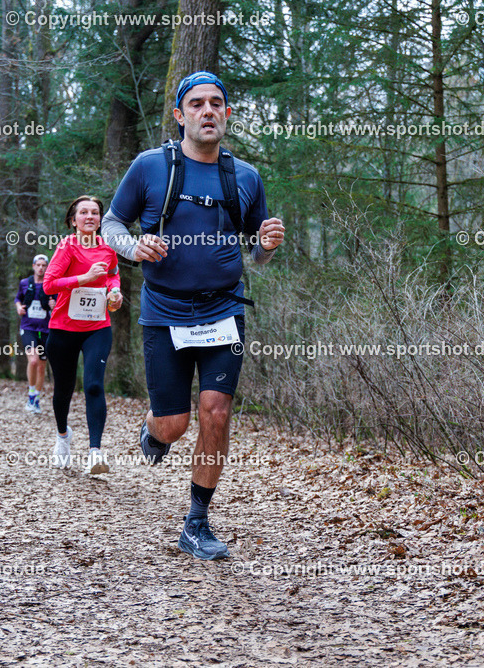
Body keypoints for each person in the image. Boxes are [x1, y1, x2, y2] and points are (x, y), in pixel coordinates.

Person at [102, 71, 285, 560]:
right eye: (198, 104)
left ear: (226, 114)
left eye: (217, 104)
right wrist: (133, 247)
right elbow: (111, 223)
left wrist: (266, 247)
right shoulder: (149, 167)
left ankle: (197, 521)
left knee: (217, 412)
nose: (208, 111)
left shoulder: (244, 176)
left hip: (224, 310)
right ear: (180, 115)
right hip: (165, 312)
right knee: (174, 424)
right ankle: (153, 429)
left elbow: (256, 250)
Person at [43, 196, 123, 474]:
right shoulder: (67, 247)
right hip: (63, 329)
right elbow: (49, 285)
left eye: (95, 212)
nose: (90, 216)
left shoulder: (108, 248)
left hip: (97, 327)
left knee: (93, 386)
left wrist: (115, 293)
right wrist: (83, 279)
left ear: (101, 219)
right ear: (73, 220)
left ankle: (94, 453)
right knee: (64, 389)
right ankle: (63, 438)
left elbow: (113, 275)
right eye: (84, 212)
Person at [15, 254, 57, 413]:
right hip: (29, 328)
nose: (41, 268)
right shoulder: (25, 283)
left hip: (46, 330)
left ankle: (36, 398)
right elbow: (17, 298)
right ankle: (31, 394)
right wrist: (18, 307)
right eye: (38, 265)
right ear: (33, 266)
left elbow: (59, 303)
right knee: (33, 361)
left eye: (44, 265)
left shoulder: (51, 285)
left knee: (41, 366)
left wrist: (54, 305)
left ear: (47, 267)